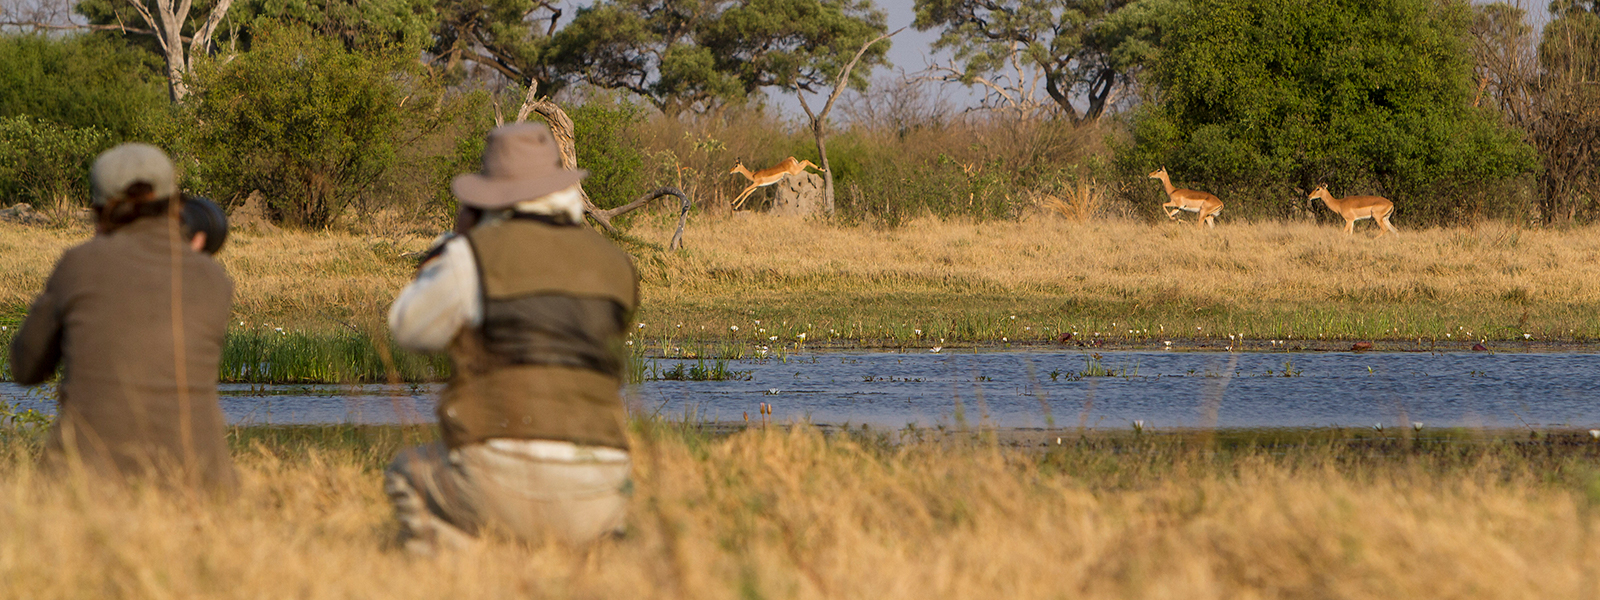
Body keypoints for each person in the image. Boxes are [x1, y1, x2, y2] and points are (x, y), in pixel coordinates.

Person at [385, 123, 638, 553]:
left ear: (487, 198)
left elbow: (405, 327)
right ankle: (590, 549)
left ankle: (470, 560)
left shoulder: (472, 255)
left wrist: (451, 248)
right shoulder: (618, 264)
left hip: (499, 473)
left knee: (405, 472)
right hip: (605, 485)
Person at [9, 143, 237, 491]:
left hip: (84, 483)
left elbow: (25, 369)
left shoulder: (80, 263)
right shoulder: (213, 279)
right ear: (175, 203)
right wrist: (191, 260)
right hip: (199, 486)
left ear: (100, 208)